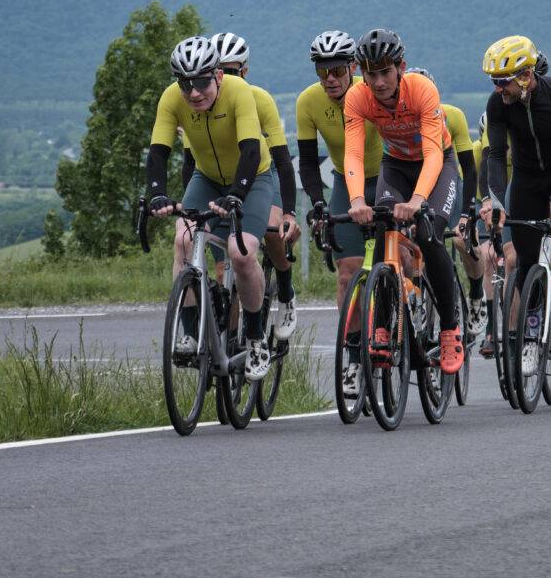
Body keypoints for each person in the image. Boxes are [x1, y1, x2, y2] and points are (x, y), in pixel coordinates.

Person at [145, 36, 277, 382]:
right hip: (206, 178)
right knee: (184, 241)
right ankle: (189, 332)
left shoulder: (238, 92)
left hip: (253, 176)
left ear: (218, 75)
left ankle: (256, 335)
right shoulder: (172, 99)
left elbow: (250, 150)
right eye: (185, 83)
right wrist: (157, 194)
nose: (193, 93)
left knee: (241, 252)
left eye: (201, 82)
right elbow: (158, 152)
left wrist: (237, 194)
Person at [344, 29, 464, 375]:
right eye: (370, 73)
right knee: (383, 231)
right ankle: (383, 326)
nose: (378, 82)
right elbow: (353, 153)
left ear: (401, 68)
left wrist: (418, 200)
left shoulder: (422, 90)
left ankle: (449, 330)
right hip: (394, 166)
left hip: (437, 166)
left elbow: (432, 154)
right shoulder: (358, 97)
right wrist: (356, 199)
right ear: (361, 73)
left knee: (428, 235)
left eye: (385, 72)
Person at [481, 36, 551, 355]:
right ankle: (533, 323)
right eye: (494, 81)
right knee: (525, 255)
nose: (497, 88)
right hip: (527, 178)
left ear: (525, 76)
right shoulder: (498, 105)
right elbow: (495, 155)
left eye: (502, 82)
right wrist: (499, 205)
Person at [297, 30, 383, 394]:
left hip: (388, 176)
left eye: (336, 71)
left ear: (353, 68)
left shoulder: (371, 94)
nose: (329, 79)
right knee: (348, 275)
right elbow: (306, 161)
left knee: (402, 262)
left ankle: (411, 316)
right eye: (322, 72)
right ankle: (353, 358)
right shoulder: (308, 102)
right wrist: (318, 204)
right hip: (347, 184)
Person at [208, 31, 299, 343]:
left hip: (262, 171)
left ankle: (285, 288)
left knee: (272, 228)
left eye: (230, 72)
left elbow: (283, 161)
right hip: (222, 179)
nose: (223, 79)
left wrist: (289, 212)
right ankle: (229, 343)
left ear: (244, 72)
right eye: (215, 72)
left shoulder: (259, 100)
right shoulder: (204, 100)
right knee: (224, 271)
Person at [405, 68, 486, 341]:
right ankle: (415, 295)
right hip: (415, 184)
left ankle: (476, 294)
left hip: (448, 181)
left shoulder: (453, 116)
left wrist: (466, 214)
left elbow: (468, 167)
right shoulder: (396, 117)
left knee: (463, 241)